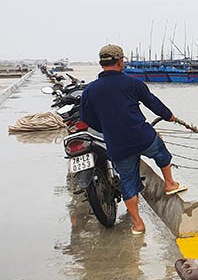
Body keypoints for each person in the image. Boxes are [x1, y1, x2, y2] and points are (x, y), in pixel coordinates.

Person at [79, 45, 187, 235]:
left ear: (100, 64)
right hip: (141, 136)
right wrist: (168, 115)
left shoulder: (90, 90)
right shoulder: (133, 83)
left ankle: (137, 224)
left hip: (117, 143)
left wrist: (107, 128)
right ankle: (169, 183)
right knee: (160, 152)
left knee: (128, 183)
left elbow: (86, 118)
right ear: (121, 61)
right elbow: (152, 102)